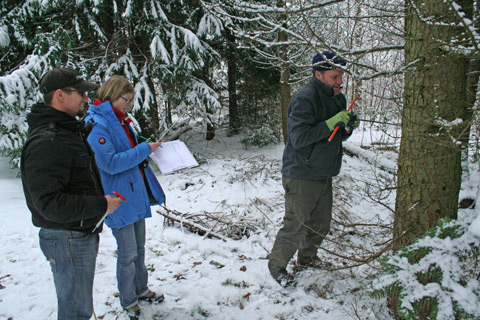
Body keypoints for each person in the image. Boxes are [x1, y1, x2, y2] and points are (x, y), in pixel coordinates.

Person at [21, 67, 123, 319]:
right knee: (75, 311)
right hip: (66, 238)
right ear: (60, 95)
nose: (86, 99)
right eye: (80, 93)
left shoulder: (65, 132)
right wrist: (101, 205)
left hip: (75, 235)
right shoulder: (48, 140)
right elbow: (50, 204)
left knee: (78, 306)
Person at [268, 51, 359, 286]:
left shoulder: (338, 98)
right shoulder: (304, 99)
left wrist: (347, 126)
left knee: (321, 223)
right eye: (334, 76)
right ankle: (276, 267)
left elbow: (337, 135)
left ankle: (307, 259)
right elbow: (298, 138)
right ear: (318, 75)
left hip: (324, 171)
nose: (340, 81)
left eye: (341, 76)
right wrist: (330, 123)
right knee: (296, 224)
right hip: (301, 173)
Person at [84, 75, 166, 317]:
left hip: (134, 193)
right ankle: (128, 300)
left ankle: (141, 289)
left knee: (139, 248)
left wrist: (143, 147)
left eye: (131, 100)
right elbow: (109, 163)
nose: (129, 104)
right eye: (125, 99)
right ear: (111, 95)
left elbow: (127, 152)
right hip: (117, 198)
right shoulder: (98, 124)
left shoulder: (121, 121)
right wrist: (143, 150)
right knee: (128, 252)